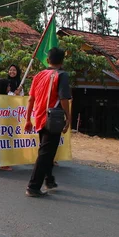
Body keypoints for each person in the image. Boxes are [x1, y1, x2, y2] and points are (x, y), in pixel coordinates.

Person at [24, 47, 72, 197]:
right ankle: (33, 186)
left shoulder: (38, 75)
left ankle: (49, 179)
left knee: (46, 150)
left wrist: (27, 119)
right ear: (62, 60)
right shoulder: (62, 75)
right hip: (54, 118)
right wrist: (68, 117)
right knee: (46, 153)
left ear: (47, 60)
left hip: (39, 117)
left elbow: (31, 98)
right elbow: (64, 99)